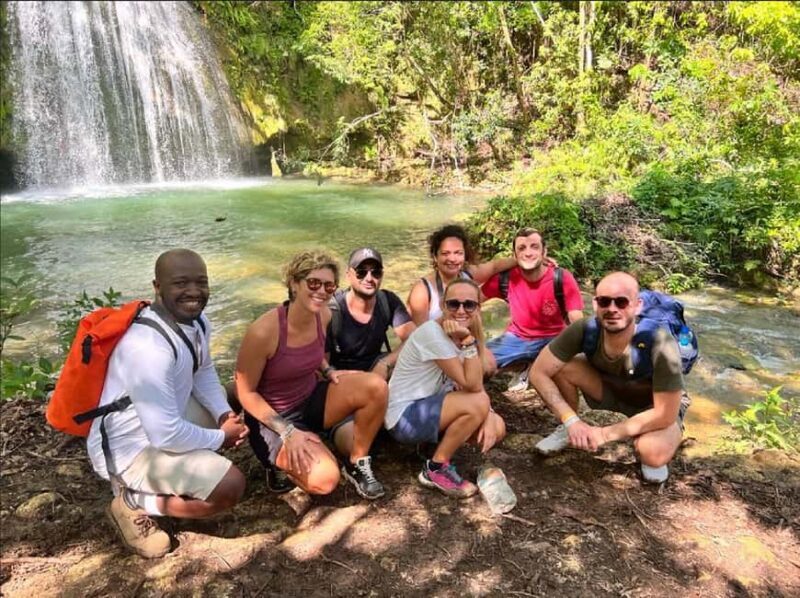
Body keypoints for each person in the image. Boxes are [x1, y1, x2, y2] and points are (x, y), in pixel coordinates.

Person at [87, 249, 249, 559]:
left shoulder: (198, 322)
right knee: (230, 486)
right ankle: (133, 501)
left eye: (201, 282)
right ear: (157, 287)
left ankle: (180, 471)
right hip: (132, 450)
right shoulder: (147, 347)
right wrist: (221, 436)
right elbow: (166, 436)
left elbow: (203, 371)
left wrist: (224, 415)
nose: (194, 292)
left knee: (232, 395)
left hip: (158, 424)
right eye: (180, 283)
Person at [235, 250, 388, 501]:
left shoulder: (324, 315)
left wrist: (327, 370)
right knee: (326, 480)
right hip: (272, 418)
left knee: (376, 386)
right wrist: (286, 431)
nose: (322, 291)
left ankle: (357, 462)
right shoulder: (264, 331)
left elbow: (314, 352)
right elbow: (245, 392)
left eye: (329, 286)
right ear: (294, 284)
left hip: (310, 399)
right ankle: (276, 464)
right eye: (313, 283)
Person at [530, 272, 690, 484]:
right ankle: (568, 430)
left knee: (652, 453)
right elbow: (538, 372)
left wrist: (603, 434)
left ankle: (659, 438)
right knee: (562, 367)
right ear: (595, 305)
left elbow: (665, 413)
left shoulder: (660, 341)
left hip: (653, 404)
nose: (612, 309)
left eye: (622, 302)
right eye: (604, 301)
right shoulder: (585, 329)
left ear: (638, 306)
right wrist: (571, 421)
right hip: (611, 387)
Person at [387, 278, 507, 498]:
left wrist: (488, 415)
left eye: (469, 304)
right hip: (404, 418)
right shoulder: (433, 334)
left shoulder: (459, 333)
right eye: (454, 304)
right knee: (478, 404)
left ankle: (430, 447)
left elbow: (469, 385)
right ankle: (435, 468)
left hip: (428, 408)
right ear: (443, 305)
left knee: (496, 427)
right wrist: (469, 342)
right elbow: (473, 386)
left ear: (478, 308)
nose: (461, 310)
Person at [483, 228, 584, 391]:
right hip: (517, 338)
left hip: (555, 339)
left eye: (534, 247)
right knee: (477, 366)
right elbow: (470, 300)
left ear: (544, 251)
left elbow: (577, 320)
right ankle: (523, 365)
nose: (528, 253)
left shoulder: (562, 278)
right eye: (522, 248)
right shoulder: (505, 278)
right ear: (514, 255)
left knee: (568, 371)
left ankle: (566, 414)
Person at [326, 247, 416, 380]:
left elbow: (414, 339)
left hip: (377, 369)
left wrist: (385, 363)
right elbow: (321, 365)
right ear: (348, 275)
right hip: (341, 377)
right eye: (361, 272)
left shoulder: (387, 301)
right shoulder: (332, 310)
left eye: (376, 272)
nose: (369, 278)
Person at [406, 224, 516, 325]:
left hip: (467, 342)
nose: (452, 259)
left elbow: (494, 267)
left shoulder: (468, 274)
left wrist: (525, 260)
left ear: (465, 255)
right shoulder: (422, 291)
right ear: (435, 257)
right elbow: (419, 336)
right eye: (445, 253)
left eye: (458, 253)